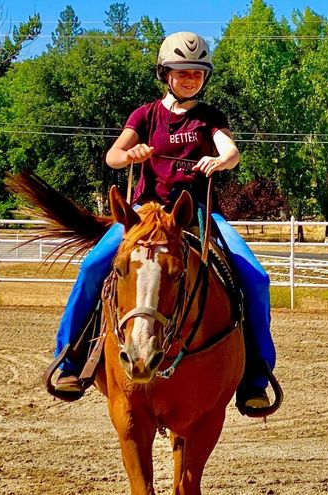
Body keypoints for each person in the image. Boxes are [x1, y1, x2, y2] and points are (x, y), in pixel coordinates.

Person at [53, 32, 276, 413]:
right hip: (143, 214)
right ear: (165, 73)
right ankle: (70, 361)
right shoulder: (145, 115)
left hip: (198, 215)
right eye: (181, 72)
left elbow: (231, 151)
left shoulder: (210, 118)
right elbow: (112, 156)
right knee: (92, 266)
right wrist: (130, 154)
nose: (190, 78)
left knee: (256, 277)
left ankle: (256, 375)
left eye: (197, 73)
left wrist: (221, 161)